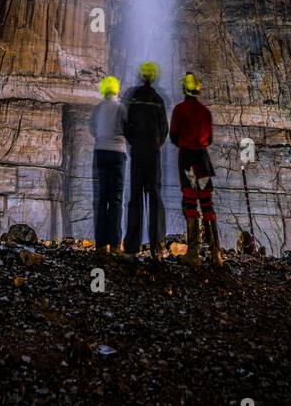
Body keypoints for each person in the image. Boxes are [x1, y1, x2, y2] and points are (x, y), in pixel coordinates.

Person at [170, 72, 223, 266]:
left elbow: (174, 136)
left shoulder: (179, 110)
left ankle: (193, 253)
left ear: (184, 88)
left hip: (188, 159)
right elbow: (209, 139)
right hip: (203, 159)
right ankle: (216, 254)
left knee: (191, 202)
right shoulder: (205, 112)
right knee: (207, 203)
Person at [122, 62, 168, 258]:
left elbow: (124, 123)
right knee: (155, 197)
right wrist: (156, 143)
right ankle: (157, 247)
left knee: (135, 198)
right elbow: (164, 129)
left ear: (139, 76)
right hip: (153, 153)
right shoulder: (158, 100)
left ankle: (132, 247)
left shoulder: (132, 97)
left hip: (138, 152)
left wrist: (132, 142)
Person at [89, 76, 127, 253]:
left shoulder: (98, 109)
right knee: (116, 199)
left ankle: (101, 244)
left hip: (101, 153)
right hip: (118, 154)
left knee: (101, 199)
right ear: (117, 90)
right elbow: (128, 129)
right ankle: (115, 244)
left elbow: (92, 130)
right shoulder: (121, 108)